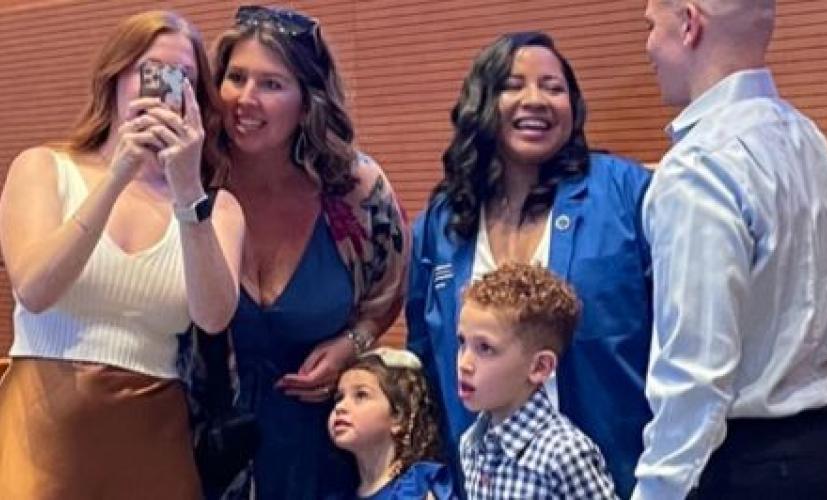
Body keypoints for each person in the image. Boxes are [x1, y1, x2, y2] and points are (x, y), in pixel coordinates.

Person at [634, 1, 827, 499]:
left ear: (689, 24)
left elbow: (694, 372)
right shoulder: (807, 137)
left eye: (652, 27)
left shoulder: (698, 166)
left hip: (750, 469)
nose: (648, 47)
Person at [0, 10, 244, 499]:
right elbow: (35, 287)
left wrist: (186, 189)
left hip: (153, 428)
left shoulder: (215, 206)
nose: (164, 90)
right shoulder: (44, 168)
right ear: (113, 79)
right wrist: (119, 173)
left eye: (184, 80)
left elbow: (213, 316)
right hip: (43, 425)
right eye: (149, 73)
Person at [405, 32, 653, 497]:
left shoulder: (627, 193)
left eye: (553, 88)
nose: (535, 100)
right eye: (513, 85)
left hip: (613, 472)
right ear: (482, 101)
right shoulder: (441, 221)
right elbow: (426, 352)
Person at [205, 5, 411, 498]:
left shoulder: (356, 189)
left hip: (319, 456)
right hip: (199, 452)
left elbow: (388, 294)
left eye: (272, 84)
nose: (246, 100)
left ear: (308, 100)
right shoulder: (188, 180)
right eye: (236, 77)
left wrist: (352, 346)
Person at [457, 263, 618, 499]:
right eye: (462, 343)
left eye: (485, 348)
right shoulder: (471, 444)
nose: (464, 364)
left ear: (540, 367)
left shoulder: (564, 454)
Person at [329, 348, 456, 500]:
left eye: (361, 395)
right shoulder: (338, 494)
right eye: (339, 397)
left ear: (399, 417)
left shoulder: (418, 488)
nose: (340, 407)